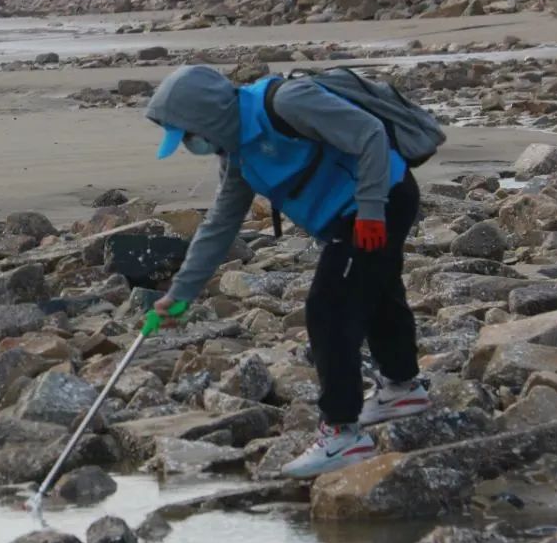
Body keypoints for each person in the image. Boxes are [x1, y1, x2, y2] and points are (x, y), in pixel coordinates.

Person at [144, 65, 430, 479]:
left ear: (206, 118)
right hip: (349, 214)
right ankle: (403, 389)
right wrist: (182, 293)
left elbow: (369, 133)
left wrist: (370, 209)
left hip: (380, 199)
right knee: (376, 289)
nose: (190, 145)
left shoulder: (287, 103)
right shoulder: (237, 153)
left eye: (187, 135)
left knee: (329, 308)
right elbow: (220, 224)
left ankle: (342, 433)